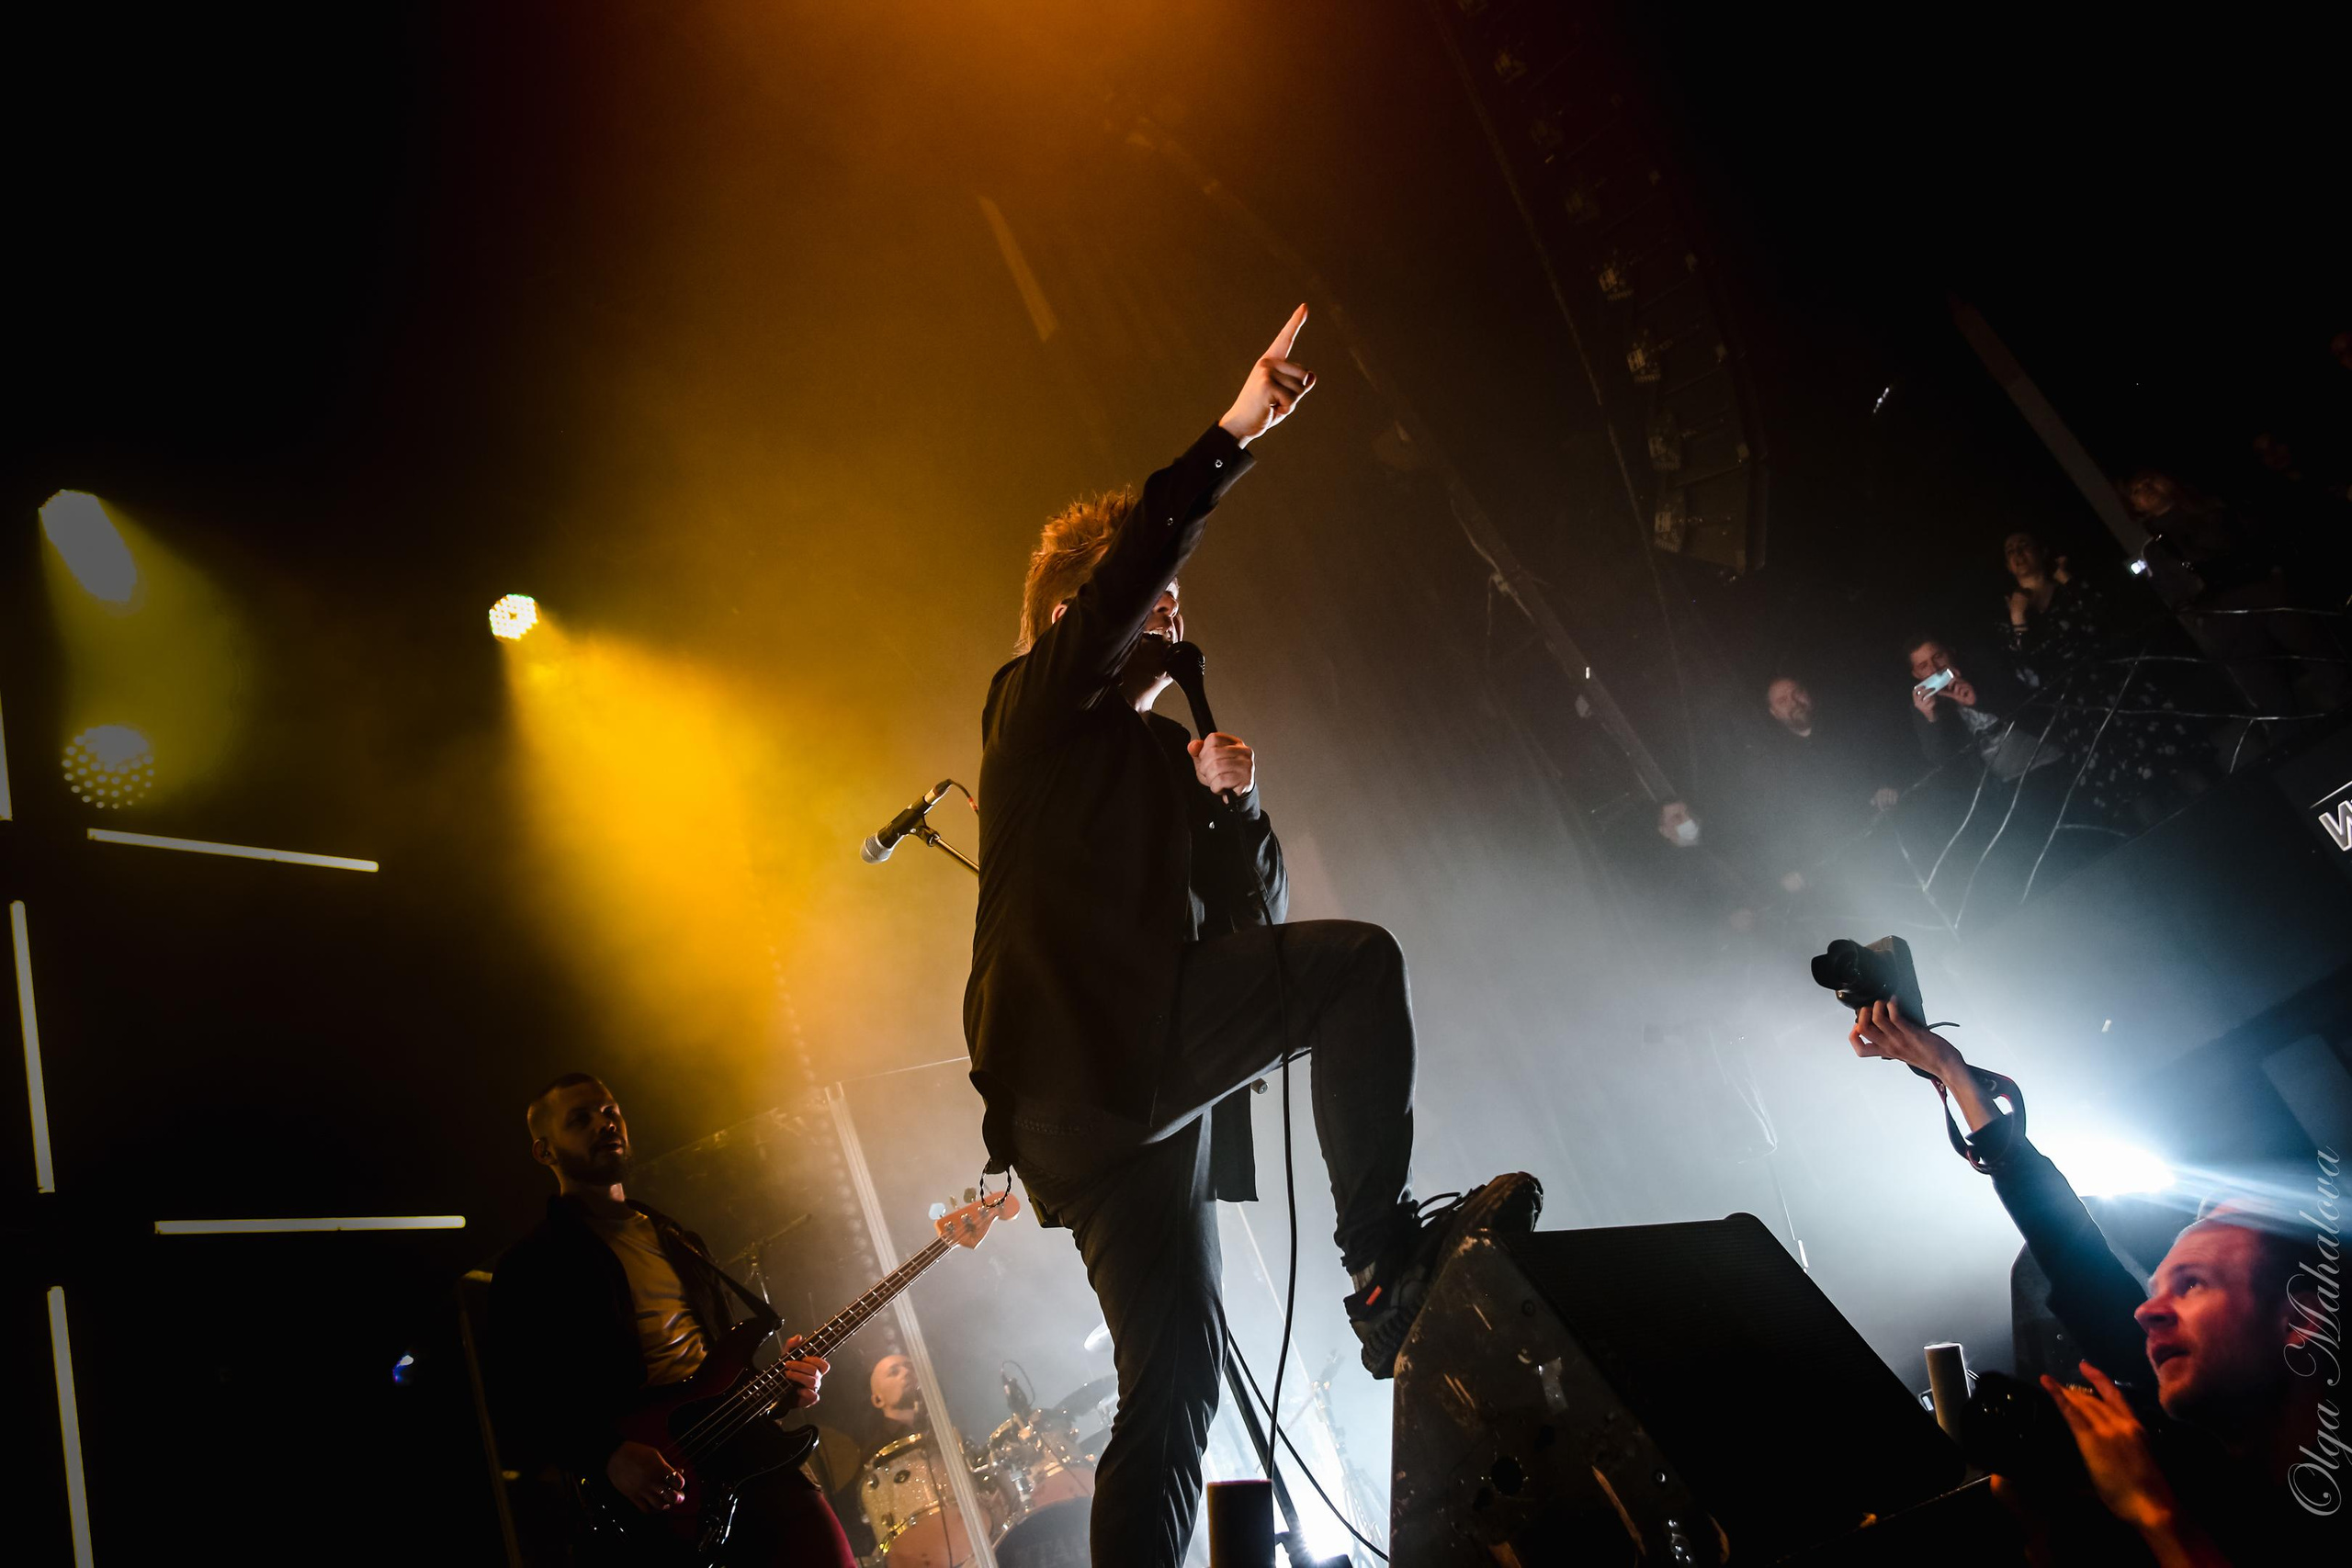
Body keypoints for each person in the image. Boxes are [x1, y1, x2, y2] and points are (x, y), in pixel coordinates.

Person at [963, 303, 1540, 1566]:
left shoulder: (1162, 760)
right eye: (1152, 602)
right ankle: (1381, 1265)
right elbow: (1134, 563)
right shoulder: (1033, 714)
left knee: (1175, 1389)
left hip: (1136, 1106)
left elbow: (1253, 934)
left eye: (1176, 604)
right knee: (1362, 961)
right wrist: (1235, 428)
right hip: (1087, 1071)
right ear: (1075, 618)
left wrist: (1238, 809)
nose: (1172, 615)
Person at [1847, 1003, 2340, 1564]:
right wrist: (1950, 1071)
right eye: (2155, 1290)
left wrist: (2155, 1512)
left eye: (2193, 1285)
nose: (2146, 1311)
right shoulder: (2190, 1452)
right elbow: (2069, 1250)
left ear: (2300, 1318)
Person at [487, 1074, 856, 1566]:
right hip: (660, 1500)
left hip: (749, 1458)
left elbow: (722, 1367)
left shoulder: (680, 1240)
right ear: (544, 1151)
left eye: (610, 1111)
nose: (604, 1124)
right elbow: (516, 1399)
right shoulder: (532, 1265)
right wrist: (608, 1454)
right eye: (580, 1119)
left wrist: (783, 1388)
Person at [1997, 532, 2199, 829]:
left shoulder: (2069, 586)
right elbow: (2028, 668)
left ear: (2041, 551)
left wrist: (2067, 579)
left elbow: (2105, 619)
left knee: (2176, 764)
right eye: (2010, 551)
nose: (2017, 554)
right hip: (2081, 711)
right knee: (2133, 792)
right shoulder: (2014, 612)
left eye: (2023, 546)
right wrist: (2018, 616)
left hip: (2118, 685)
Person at [1756, 675, 1902, 897]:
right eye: (1783, 701)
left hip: (1886, 839)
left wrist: (1887, 785)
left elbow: (1888, 760)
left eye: (1797, 693)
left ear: (1808, 695)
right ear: (1774, 713)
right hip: (1837, 869)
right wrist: (1787, 868)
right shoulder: (1774, 765)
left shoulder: (1849, 727)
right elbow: (1776, 821)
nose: (1793, 702)